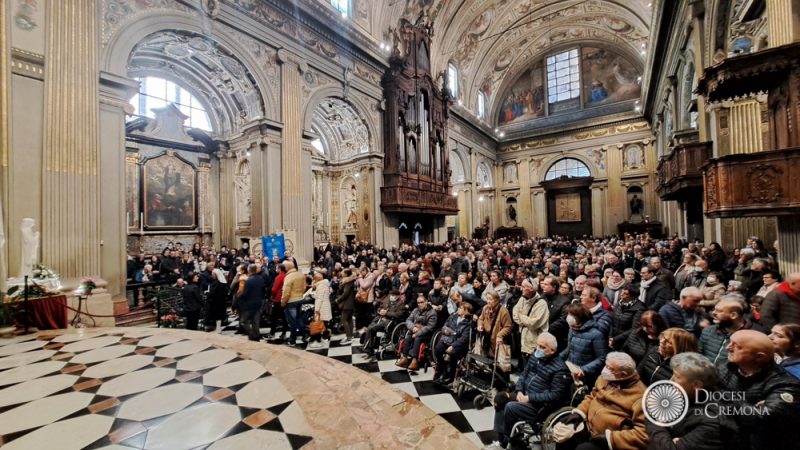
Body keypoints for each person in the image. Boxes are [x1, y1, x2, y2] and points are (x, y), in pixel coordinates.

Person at [717, 330, 800, 450]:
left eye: (737, 346)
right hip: (728, 439)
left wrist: (721, 396)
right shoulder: (727, 368)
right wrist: (751, 407)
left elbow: (762, 418)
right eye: (730, 343)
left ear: (759, 357)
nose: (728, 348)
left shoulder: (786, 384)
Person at [552, 352, 647, 450]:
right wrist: (579, 413)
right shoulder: (605, 378)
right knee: (563, 438)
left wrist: (610, 439)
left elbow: (643, 434)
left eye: (610, 369)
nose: (605, 370)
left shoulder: (641, 398)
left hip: (610, 439)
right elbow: (592, 396)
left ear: (623, 374)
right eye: (606, 365)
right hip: (589, 425)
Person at [492, 333, 571, 449]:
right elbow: (524, 375)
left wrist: (529, 398)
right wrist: (519, 390)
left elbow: (555, 395)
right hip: (524, 395)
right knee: (500, 399)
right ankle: (502, 441)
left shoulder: (560, 369)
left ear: (552, 350)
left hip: (540, 406)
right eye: (538, 345)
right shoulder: (535, 356)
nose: (538, 349)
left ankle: (511, 441)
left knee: (510, 407)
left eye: (542, 347)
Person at [645, 352, 733, 450]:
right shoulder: (685, 394)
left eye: (677, 377)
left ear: (696, 385)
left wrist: (655, 420)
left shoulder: (711, 422)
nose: (671, 380)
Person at [699, 298, 759, 367]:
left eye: (719, 311)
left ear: (733, 315)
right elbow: (699, 354)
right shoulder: (708, 330)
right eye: (714, 310)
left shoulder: (750, 337)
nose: (713, 313)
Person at [560, 304, 608, 388]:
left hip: (585, 375)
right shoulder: (572, 329)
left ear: (580, 316)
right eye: (568, 314)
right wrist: (557, 358)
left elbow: (602, 358)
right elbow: (569, 349)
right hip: (570, 369)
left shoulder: (596, 335)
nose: (569, 317)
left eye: (572, 315)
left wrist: (583, 369)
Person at [433, 302, 473, 384]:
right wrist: (446, 331)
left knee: (453, 354)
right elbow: (444, 326)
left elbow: (463, 339)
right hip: (448, 339)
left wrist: (453, 346)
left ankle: (450, 376)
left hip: (458, 344)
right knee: (438, 349)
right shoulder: (452, 317)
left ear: (466, 311)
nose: (458, 309)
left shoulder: (468, 324)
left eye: (460, 308)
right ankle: (443, 370)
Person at [512, 279, 549, 365]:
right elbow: (514, 315)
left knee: (533, 367)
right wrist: (525, 320)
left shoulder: (541, 303)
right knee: (524, 366)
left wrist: (520, 316)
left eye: (523, 287)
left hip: (534, 343)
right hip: (522, 339)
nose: (521, 289)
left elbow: (533, 324)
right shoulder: (522, 299)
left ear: (531, 289)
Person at [396, 294, 437, 371]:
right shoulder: (415, 310)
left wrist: (417, 333)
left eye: (421, 302)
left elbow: (429, 327)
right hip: (415, 330)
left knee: (417, 339)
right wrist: (413, 327)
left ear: (426, 302)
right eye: (418, 303)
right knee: (408, 338)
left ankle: (415, 360)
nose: (420, 304)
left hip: (426, 333)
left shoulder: (432, 313)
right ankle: (404, 357)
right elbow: (408, 320)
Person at [362, 289, 407, 357]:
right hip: (380, 319)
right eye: (391, 295)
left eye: (393, 295)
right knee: (370, 328)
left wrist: (386, 313)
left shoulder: (401, 304)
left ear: (398, 296)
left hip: (390, 322)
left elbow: (399, 314)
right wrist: (380, 311)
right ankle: (370, 347)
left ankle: (367, 348)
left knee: (371, 328)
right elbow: (379, 308)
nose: (391, 296)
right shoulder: (387, 301)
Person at [477, 291, 513, 359]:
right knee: (485, 359)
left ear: (497, 300)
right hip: (486, 339)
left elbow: (508, 326)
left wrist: (500, 335)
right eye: (487, 299)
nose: (488, 301)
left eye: (490, 299)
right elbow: (481, 318)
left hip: (497, 340)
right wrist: (480, 325)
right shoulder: (485, 308)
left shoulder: (504, 311)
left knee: (498, 361)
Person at [235, 264, 265, 341]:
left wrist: (238, 299)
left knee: (243, 321)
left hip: (249, 304)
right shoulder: (260, 278)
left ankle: (252, 335)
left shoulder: (249, 280)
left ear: (249, 270)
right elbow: (263, 290)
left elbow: (245, 293)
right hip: (258, 302)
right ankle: (256, 336)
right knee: (255, 321)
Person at [281, 261, 308, 345]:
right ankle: (305, 335)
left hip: (291, 301)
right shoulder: (300, 274)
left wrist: (283, 302)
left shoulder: (288, 277)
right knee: (299, 318)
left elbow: (286, 292)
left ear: (287, 268)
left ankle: (292, 339)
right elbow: (304, 287)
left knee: (292, 321)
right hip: (300, 299)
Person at [542, 276, 571, 351]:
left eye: (546, 284)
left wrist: (546, 329)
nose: (543, 286)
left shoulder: (564, 301)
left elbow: (563, 320)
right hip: (540, 335)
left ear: (554, 287)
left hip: (555, 337)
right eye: (543, 284)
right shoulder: (541, 297)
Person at [308, 271, 332, 348]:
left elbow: (319, 299)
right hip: (325, 306)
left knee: (318, 324)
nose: (313, 281)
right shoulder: (325, 284)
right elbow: (320, 296)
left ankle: (319, 342)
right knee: (323, 324)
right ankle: (324, 339)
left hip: (322, 307)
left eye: (314, 280)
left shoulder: (321, 286)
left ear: (317, 279)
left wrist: (317, 309)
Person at [336, 268, 358, 345]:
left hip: (347, 303)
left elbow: (345, 294)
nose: (341, 273)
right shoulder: (349, 281)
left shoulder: (348, 282)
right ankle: (350, 336)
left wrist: (338, 299)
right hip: (350, 303)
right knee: (349, 319)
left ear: (346, 274)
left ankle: (349, 337)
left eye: (342, 272)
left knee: (343, 320)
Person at [206, 268, 228, 333]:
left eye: (213, 274)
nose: (212, 276)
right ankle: (218, 328)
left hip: (215, 302)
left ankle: (218, 328)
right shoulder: (223, 283)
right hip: (221, 301)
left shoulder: (216, 283)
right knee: (219, 316)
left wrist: (208, 294)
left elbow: (212, 293)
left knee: (217, 316)